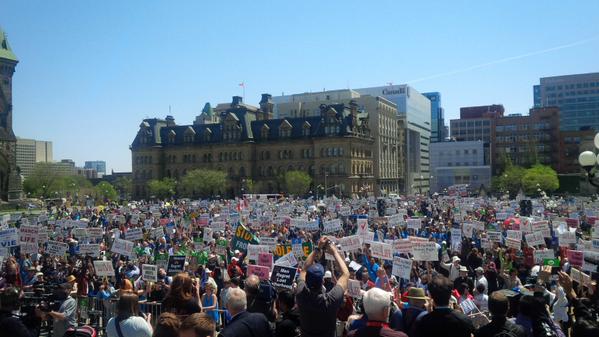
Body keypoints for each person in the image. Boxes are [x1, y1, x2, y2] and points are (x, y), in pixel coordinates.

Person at [296, 236, 349, 337]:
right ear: (323, 281)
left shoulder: (300, 294)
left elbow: (304, 269)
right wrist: (334, 252)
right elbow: (345, 274)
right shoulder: (331, 300)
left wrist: (317, 248)